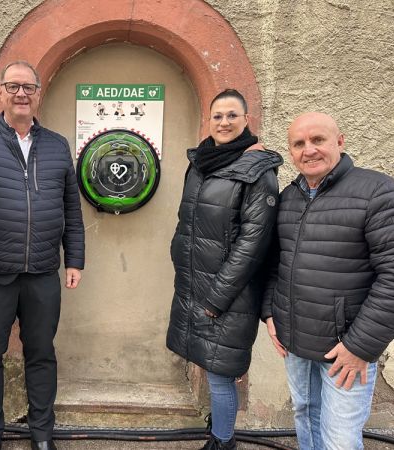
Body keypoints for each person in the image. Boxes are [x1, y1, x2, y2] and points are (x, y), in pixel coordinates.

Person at [0, 60, 85, 450]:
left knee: (41, 354)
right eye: (13, 86)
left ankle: (42, 434)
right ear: (0, 92)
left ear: (38, 93)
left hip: (43, 271)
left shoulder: (57, 145)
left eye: (28, 87)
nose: (21, 94)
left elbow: (71, 208)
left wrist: (74, 259)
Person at [262, 112, 394, 450]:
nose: (308, 150)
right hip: (295, 342)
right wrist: (270, 313)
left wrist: (359, 347)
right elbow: (275, 263)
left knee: (340, 439)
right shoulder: (289, 198)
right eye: (299, 144)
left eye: (317, 139)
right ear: (291, 152)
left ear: (340, 141)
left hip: (345, 348)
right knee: (306, 417)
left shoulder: (377, 192)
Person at [167, 89, 282, 450]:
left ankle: (223, 441)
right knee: (210, 362)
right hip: (196, 284)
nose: (224, 122)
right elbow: (188, 220)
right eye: (218, 115)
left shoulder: (258, 172)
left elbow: (253, 244)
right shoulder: (201, 162)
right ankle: (219, 426)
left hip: (229, 293)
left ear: (246, 120)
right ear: (209, 120)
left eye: (232, 115)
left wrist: (216, 298)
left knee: (220, 374)